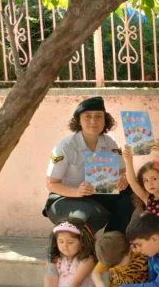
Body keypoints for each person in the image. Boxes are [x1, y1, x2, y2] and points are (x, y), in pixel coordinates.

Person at [44, 96, 133, 233]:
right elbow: (51, 184)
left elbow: (122, 171)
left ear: (105, 120)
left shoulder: (110, 143)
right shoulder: (65, 147)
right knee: (82, 216)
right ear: (79, 120)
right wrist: (77, 192)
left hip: (98, 194)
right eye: (87, 116)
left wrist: (124, 177)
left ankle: (111, 241)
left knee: (130, 195)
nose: (93, 121)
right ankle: (62, 248)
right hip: (66, 197)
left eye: (98, 116)